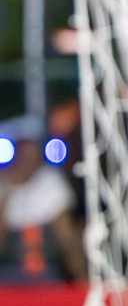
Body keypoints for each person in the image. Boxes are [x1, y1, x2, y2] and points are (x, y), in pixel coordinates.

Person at [0, 116, 87, 282]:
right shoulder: (3, 184)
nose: (28, 156)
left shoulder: (51, 183)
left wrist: (80, 278)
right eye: (24, 148)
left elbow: (66, 237)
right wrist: (8, 193)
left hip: (47, 275)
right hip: (7, 275)